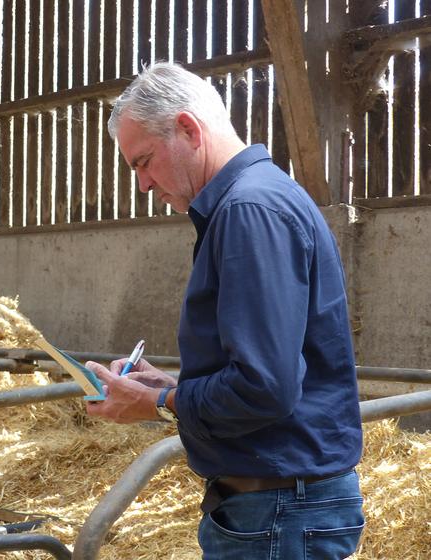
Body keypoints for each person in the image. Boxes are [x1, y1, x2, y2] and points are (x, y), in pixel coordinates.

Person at [84, 62, 364, 559]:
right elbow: (267, 372)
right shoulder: (254, 200)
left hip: (279, 511)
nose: (144, 185)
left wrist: (161, 405)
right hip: (276, 506)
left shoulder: (248, 210)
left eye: (144, 161)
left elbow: (265, 387)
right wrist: (172, 388)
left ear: (188, 129)